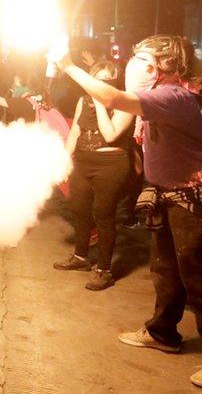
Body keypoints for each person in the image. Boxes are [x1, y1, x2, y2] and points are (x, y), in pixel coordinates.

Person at [55, 35, 202, 390]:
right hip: (171, 196)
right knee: (167, 271)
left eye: (142, 59)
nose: (133, 65)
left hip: (198, 200)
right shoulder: (164, 97)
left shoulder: (173, 96)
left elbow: (112, 98)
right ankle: (162, 332)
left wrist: (67, 65)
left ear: (167, 66)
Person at [53, 61, 135, 291]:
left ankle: (104, 269)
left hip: (111, 164)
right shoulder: (82, 100)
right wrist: (64, 161)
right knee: (79, 209)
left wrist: (101, 102)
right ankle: (81, 258)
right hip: (83, 160)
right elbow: (75, 133)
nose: (100, 85)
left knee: (103, 214)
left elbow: (110, 135)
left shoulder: (125, 103)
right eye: (96, 79)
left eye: (106, 80)